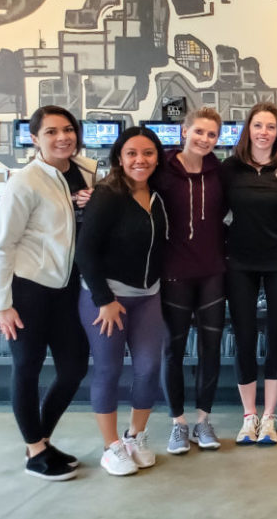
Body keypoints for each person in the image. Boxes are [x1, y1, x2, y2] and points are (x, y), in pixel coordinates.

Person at [0, 106, 95, 480]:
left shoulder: (88, 171)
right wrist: (2, 304)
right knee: (28, 367)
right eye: (51, 132)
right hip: (28, 288)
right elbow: (2, 245)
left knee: (74, 367)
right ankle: (34, 449)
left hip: (68, 288)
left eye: (68, 129)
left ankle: (42, 438)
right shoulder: (26, 181)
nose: (62, 137)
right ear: (35, 139)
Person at [76, 126, 168, 477]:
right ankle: (111, 445)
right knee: (109, 370)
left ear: (157, 157)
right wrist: (104, 299)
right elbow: (85, 252)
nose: (139, 160)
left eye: (147, 153)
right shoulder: (107, 195)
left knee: (148, 369)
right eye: (131, 153)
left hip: (148, 297)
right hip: (107, 299)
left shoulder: (158, 195)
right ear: (119, 158)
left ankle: (135, 436)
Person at [221, 102, 277, 446]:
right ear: (248, 130)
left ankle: (269, 418)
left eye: (270, 126)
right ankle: (248, 416)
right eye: (258, 126)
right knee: (245, 337)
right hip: (239, 262)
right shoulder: (229, 169)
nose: (264, 132)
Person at [151, 107, 226, 454]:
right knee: (173, 351)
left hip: (212, 271)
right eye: (199, 132)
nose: (204, 139)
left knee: (211, 351)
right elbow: (127, 189)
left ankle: (203, 421)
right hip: (174, 273)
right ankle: (178, 424)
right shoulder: (162, 171)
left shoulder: (219, 172)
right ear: (184, 131)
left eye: (211, 134)